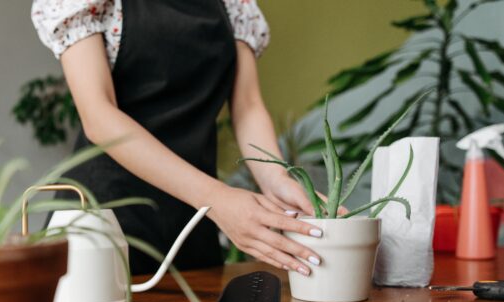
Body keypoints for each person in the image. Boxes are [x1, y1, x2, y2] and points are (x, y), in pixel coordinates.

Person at [31, 0, 325, 276]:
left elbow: (247, 106)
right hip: (104, 222)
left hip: (193, 223)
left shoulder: (234, 4)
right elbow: (98, 117)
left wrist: (277, 179)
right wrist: (215, 198)